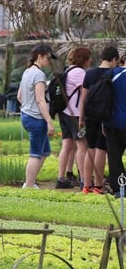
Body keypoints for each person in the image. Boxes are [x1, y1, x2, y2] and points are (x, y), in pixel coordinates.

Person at [79, 46, 119, 194]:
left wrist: (81, 118)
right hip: (105, 117)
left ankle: (86, 185)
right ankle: (98, 186)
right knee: (101, 151)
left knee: (90, 150)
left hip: (90, 116)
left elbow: (84, 98)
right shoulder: (113, 74)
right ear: (114, 59)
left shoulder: (89, 74)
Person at [17, 44, 57, 189]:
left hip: (26, 115)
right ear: (40, 56)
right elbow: (41, 100)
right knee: (35, 154)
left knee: (45, 151)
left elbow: (19, 96)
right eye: (47, 58)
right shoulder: (39, 75)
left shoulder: (27, 72)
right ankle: (28, 185)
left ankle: (31, 182)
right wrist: (49, 122)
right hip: (36, 118)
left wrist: (29, 106)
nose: (49, 61)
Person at [55, 47, 89, 189]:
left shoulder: (67, 70)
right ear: (83, 59)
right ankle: (84, 180)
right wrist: (82, 116)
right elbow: (84, 95)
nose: (90, 61)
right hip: (75, 113)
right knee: (82, 146)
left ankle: (61, 178)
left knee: (67, 145)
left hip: (64, 112)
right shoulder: (79, 72)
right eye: (88, 58)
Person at [97, 47, 124, 197]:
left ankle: (119, 188)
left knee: (114, 157)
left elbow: (104, 99)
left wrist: (103, 122)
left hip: (112, 122)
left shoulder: (112, 75)